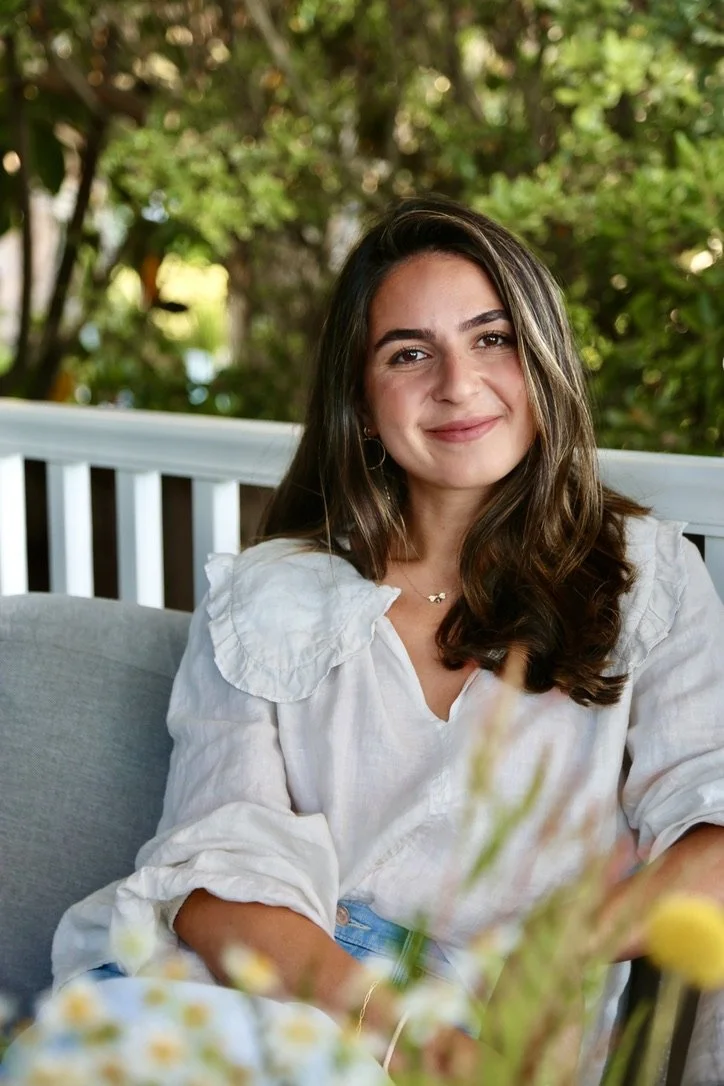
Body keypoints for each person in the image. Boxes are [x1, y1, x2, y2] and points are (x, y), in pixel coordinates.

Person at [44, 197, 724, 1082]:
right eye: (410, 354)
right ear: (363, 404)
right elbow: (212, 887)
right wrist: (396, 1031)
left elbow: (712, 836)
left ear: (545, 360)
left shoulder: (645, 576)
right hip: (284, 993)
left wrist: (562, 950)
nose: (458, 383)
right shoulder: (268, 598)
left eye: (492, 339)